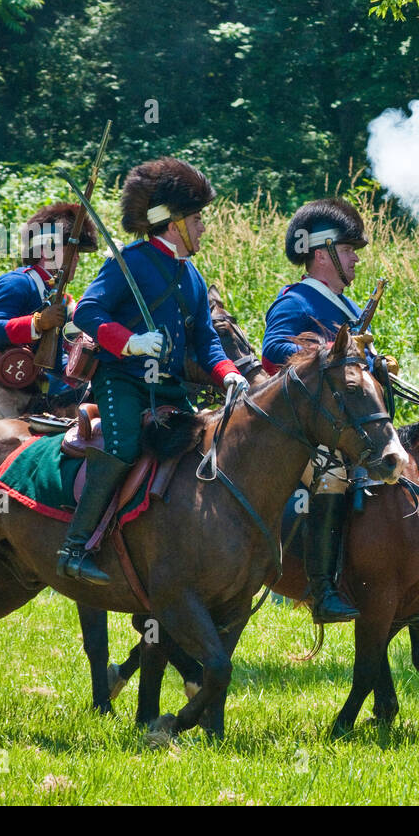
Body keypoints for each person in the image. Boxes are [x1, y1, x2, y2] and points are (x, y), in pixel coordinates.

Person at [58, 157, 242, 585]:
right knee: (121, 449)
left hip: (171, 390)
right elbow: (87, 311)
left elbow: (206, 342)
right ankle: (75, 546)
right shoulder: (131, 261)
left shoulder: (192, 276)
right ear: (174, 222)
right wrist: (130, 343)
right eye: (197, 219)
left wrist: (227, 373)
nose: (202, 228)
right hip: (122, 382)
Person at [260, 198, 370, 622]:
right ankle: (322, 590)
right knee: (332, 472)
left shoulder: (350, 308)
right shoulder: (296, 302)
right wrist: (329, 352)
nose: (356, 258)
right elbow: (273, 352)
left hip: (352, 424)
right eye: (348, 251)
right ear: (322, 255)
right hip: (308, 430)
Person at [0, 205, 96, 424]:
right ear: (46, 250)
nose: (77, 259)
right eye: (71, 251)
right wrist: (38, 322)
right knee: (13, 447)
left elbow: (50, 359)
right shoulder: (17, 282)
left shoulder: (54, 295)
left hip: (28, 387)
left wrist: (82, 369)